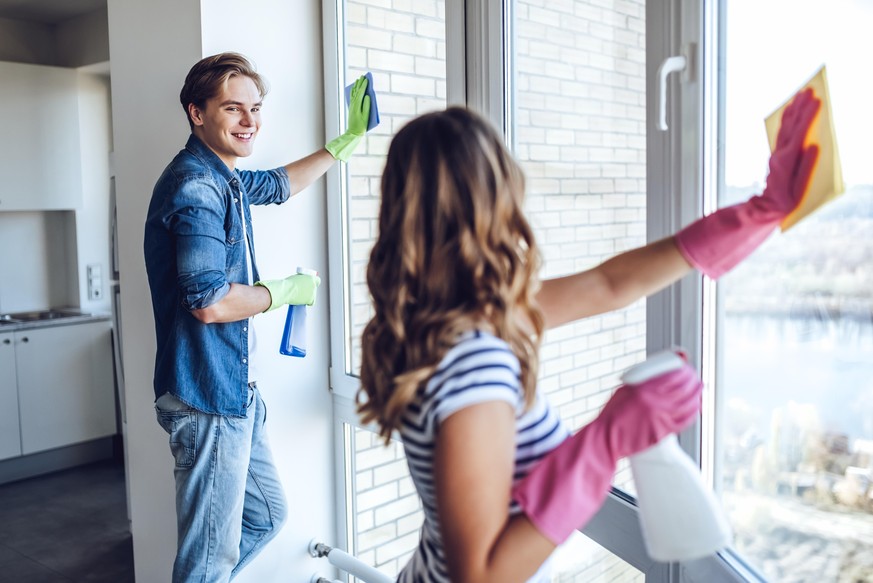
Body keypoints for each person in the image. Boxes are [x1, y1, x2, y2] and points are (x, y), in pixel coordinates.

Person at [357, 89, 820, 581]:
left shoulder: (454, 316)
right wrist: (605, 440)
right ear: (494, 204)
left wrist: (759, 210)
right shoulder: (473, 359)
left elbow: (609, 284)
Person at [143, 52, 370, 582]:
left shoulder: (225, 177)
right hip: (206, 397)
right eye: (233, 109)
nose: (250, 121)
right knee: (207, 560)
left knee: (266, 516)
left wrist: (343, 145)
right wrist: (280, 292)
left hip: (232, 391)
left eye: (255, 108)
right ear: (197, 113)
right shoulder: (196, 186)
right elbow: (210, 302)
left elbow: (276, 184)